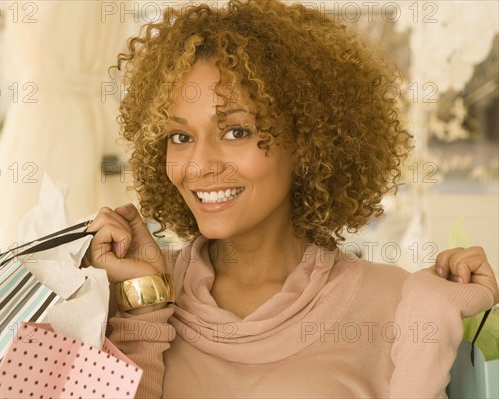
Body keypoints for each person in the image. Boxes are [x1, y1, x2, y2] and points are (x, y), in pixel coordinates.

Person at [84, 0, 499, 397]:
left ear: (307, 142)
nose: (198, 165)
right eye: (180, 137)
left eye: (236, 131)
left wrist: (431, 313)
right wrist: (142, 308)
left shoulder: (392, 301)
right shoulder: (122, 295)